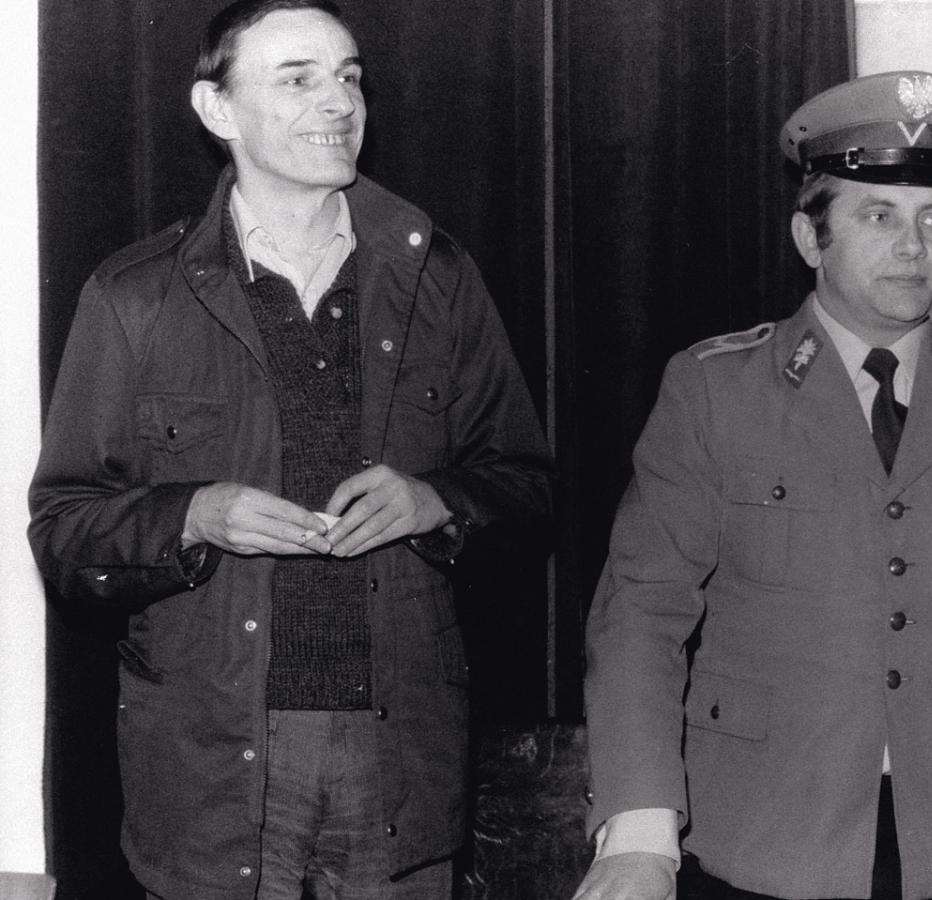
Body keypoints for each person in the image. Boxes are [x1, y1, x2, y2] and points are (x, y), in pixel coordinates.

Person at [27, 1, 552, 897]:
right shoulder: (134, 298)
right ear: (217, 110)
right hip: (211, 765)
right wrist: (194, 516)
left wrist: (436, 502)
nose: (339, 102)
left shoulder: (436, 276)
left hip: (399, 758)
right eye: (298, 79)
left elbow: (527, 491)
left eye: (349, 77)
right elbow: (65, 533)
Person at [573, 71, 932, 900]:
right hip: (753, 838)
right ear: (809, 236)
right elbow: (640, 611)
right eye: (878, 216)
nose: (914, 246)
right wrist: (640, 830)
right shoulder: (716, 389)